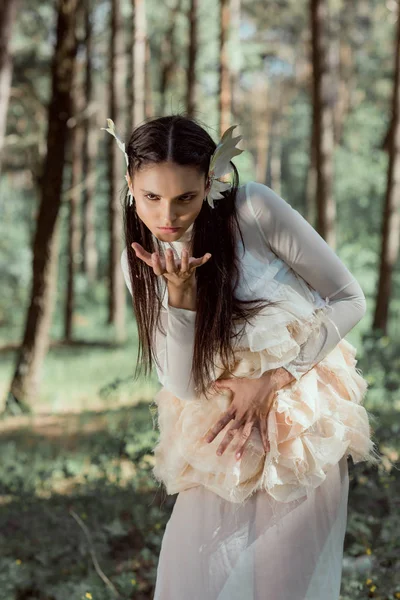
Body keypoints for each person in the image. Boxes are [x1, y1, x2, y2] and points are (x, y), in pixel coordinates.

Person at [103, 114, 380, 600]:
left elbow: (349, 298)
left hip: (299, 426)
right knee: (190, 583)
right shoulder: (139, 259)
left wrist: (274, 379)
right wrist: (181, 297)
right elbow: (185, 386)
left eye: (185, 197)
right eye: (151, 197)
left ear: (208, 182)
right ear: (130, 184)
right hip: (220, 434)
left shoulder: (252, 209)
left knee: (282, 590)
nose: (167, 215)